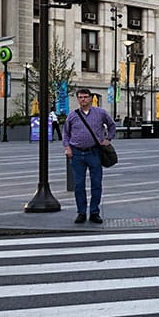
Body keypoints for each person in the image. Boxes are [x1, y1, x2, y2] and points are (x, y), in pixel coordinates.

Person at [63, 87, 117, 224]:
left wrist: (108, 139)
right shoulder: (72, 115)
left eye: (85, 97)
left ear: (91, 98)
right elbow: (66, 133)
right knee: (79, 185)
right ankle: (81, 212)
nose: (83, 100)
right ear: (77, 99)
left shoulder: (100, 113)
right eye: (80, 97)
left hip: (94, 152)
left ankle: (94, 212)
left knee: (96, 184)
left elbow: (112, 125)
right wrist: (67, 147)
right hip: (76, 153)